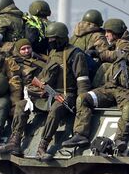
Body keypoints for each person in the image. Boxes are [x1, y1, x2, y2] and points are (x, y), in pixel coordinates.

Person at [31, 21, 93, 160]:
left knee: (55, 110)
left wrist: (81, 101)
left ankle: (42, 146)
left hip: (66, 93)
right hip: (48, 91)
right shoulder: (53, 52)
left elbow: (82, 80)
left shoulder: (75, 54)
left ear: (61, 38)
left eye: (53, 39)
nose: (50, 42)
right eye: (49, 39)